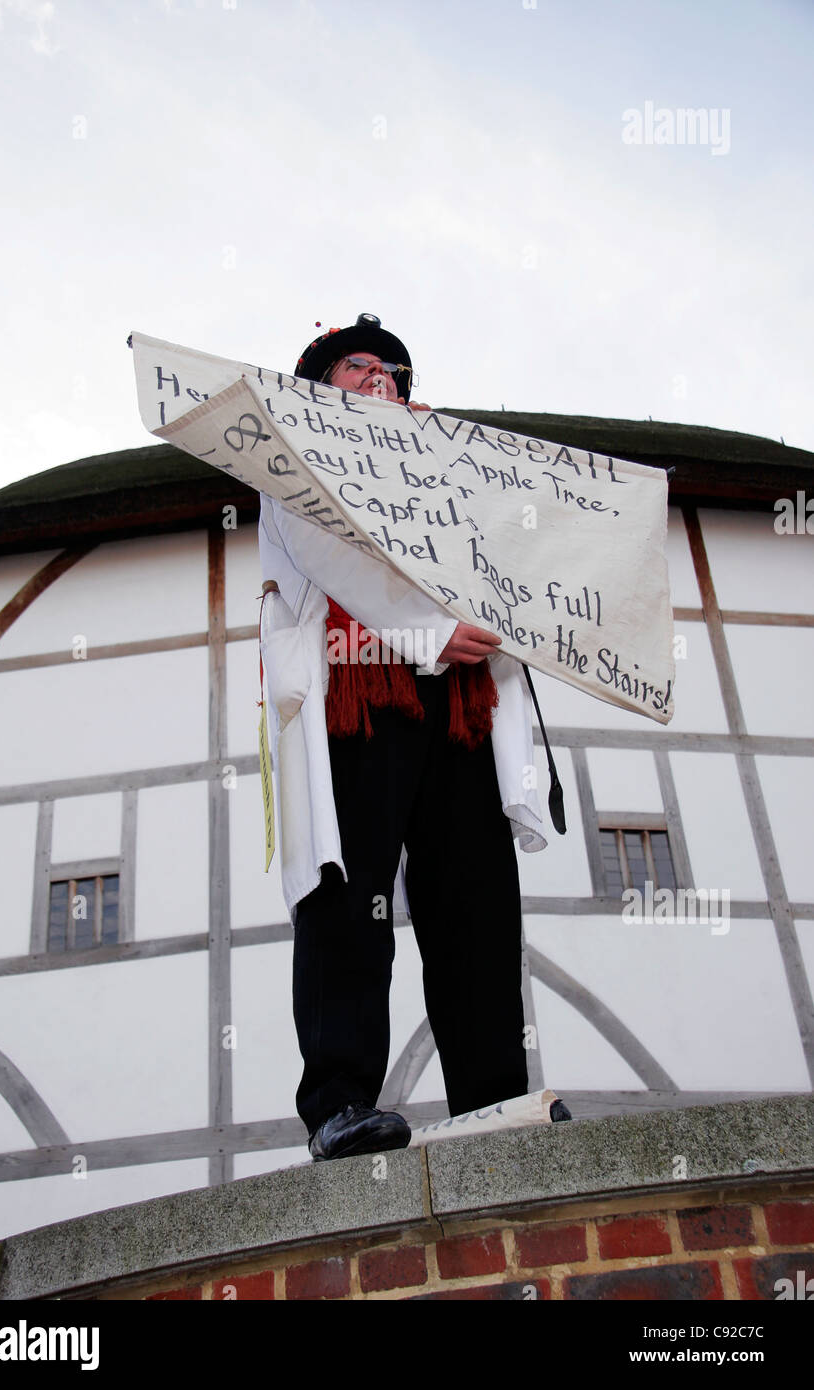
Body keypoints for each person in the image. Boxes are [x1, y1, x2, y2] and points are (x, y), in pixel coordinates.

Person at [258, 313, 560, 1162]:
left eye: (394, 370)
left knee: (475, 901)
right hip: (359, 689)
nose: (382, 377)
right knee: (350, 898)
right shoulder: (289, 454)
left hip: (459, 701)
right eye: (359, 367)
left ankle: (493, 1103)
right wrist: (427, 629)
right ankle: (340, 1104)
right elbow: (331, 553)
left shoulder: (445, 470)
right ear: (319, 386)